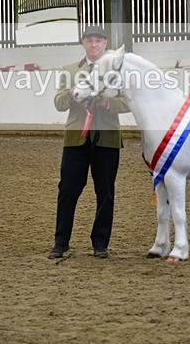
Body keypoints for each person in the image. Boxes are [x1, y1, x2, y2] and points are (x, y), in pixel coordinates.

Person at [49, 25, 131, 259]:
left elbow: (128, 102)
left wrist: (108, 103)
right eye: (89, 40)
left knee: (105, 192)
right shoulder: (69, 71)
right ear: (83, 43)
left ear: (105, 44)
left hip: (107, 138)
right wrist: (70, 94)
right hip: (76, 139)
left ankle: (100, 243)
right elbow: (58, 102)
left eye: (98, 41)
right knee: (67, 190)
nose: (94, 45)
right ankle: (61, 242)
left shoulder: (117, 71)